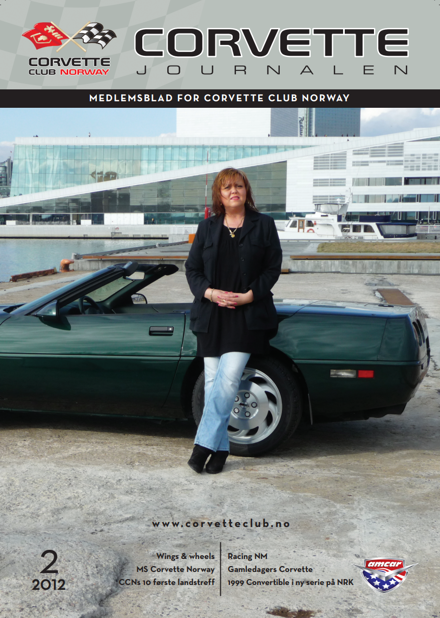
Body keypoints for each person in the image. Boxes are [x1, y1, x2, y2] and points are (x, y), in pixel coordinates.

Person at [185, 168, 282, 474]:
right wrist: (210, 293)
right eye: (227, 187)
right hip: (211, 315)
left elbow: (272, 268)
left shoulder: (263, 224)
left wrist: (249, 296)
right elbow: (192, 270)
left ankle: (202, 446)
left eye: (238, 186)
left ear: (246, 190)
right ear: (219, 194)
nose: (233, 191)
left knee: (228, 380)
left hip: (247, 316)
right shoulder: (207, 227)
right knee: (213, 382)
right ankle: (220, 450)